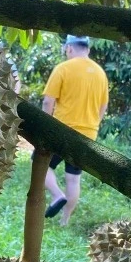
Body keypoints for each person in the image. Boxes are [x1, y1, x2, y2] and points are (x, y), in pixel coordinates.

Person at [38, 34, 109, 226]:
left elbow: (48, 101)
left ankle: (57, 195)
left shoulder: (63, 68)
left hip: (62, 131)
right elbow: (103, 106)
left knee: (41, 164)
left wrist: (45, 128)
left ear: (69, 48)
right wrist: (93, 125)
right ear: (88, 48)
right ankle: (65, 221)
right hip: (88, 134)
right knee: (73, 179)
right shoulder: (100, 73)